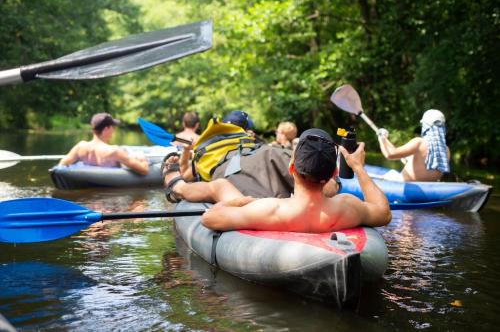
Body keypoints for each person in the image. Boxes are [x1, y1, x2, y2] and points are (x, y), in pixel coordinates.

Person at [162, 128, 391, 232]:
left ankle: (177, 184)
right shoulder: (347, 206)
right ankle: (177, 184)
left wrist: (243, 202)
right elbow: (383, 213)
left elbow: (210, 218)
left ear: (291, 167)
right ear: (333, 174)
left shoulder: (268, 209)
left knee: (221, 185)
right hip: (327, 215)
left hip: (272, 212)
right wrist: (358, 168)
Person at [58, 113, 149, 175]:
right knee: (139, 156)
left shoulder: (80, 146)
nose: (113, 130)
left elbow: (62, 164)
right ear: (106, 129)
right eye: (112, 127)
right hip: (111, 194)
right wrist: (143, 159)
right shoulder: (114, 151)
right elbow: (144, 171)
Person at [377, 109, 450, 182]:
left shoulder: (419, 142)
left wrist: (381, 138)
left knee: (391, 173)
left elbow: (390, 154)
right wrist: (409, 159)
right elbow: (425, 164)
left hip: (407, 184)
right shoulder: (446, 150)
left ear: (426, 126)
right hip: (430, 187)